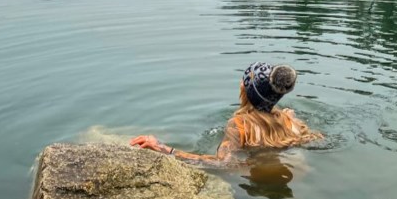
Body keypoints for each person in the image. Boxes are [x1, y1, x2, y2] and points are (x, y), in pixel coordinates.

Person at [130, 62, 323, 164]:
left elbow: (221, 164)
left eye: (243, 82)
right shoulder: (290, 120)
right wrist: (291, 116)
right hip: (299, 171)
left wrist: (164, 148)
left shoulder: (239, 125)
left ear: (245, 92)